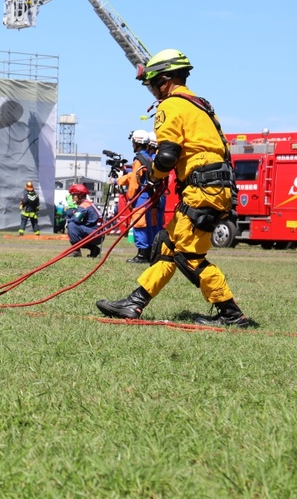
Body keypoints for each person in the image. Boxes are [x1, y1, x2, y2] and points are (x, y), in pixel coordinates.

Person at [96, 49, 250, 327]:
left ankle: (230, 313)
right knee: (167, 245)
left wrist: (154, 176)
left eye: (152, 84)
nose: (152, 91)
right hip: (213, 187)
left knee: (188, 256)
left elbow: (166, 156)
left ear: (164, 80)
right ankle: (135, 303)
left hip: (203, 188)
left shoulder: (171, 105)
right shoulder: (200, 105)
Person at [117, 129, 158, 263]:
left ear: (136, 143)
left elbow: (135, 182)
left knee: (139, 225)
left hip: (141, 197)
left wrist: (130, 197)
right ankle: (150, 253)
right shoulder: (149, 158)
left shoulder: (139, 160)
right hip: (151, 196)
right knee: (149, 226)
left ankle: (142, 254)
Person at [65, 184, 102, 257]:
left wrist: (68, 221)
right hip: (98, 233)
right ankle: (94, 249)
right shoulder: (88, 203)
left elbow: (75, 220)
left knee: (71, 225)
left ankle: (76, 251)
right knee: (75, 229)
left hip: (94, 233)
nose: (72, 198)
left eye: (73, 195)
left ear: (80, 195)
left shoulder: (84, 205)